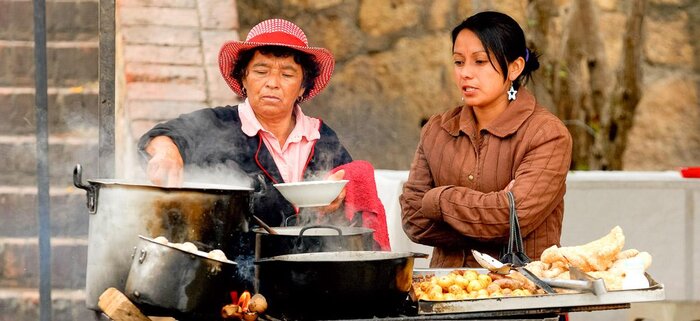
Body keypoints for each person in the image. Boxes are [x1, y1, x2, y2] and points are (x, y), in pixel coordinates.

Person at [137, 18, 352, 286]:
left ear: (303, 87)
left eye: (287, 74)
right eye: (261, 71)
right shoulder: (218, 124)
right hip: (232, 282)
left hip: (311, 279)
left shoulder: (322, 136)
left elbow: (351, 189)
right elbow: (161, 137)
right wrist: (167, 153)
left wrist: (339, 196)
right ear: (243, 78)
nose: (273, 83)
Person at [400, 11, 573, 268]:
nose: (465, 73)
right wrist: (487, 221)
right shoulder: (436, 130)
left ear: (515, 67)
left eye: (480, 61)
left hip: (522, 294)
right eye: (459, 62)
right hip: (445, 293)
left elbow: (512, 218)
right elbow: (413, 220)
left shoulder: (547, 134)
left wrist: (437, 200)